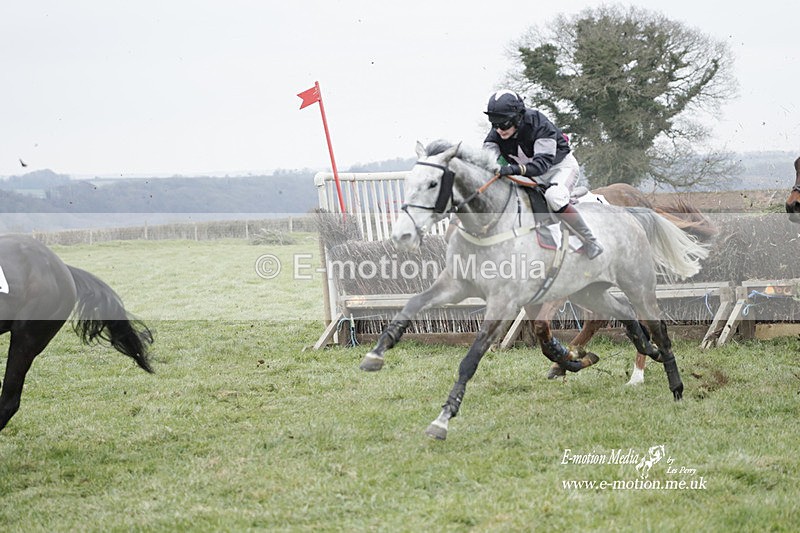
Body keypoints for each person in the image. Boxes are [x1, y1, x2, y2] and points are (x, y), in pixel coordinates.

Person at [483, 90, 603, 259]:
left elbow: (541, 165)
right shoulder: (496, 132)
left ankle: (590, 241)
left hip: (559, 168)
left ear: (518, 117)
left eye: (504, 124)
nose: (499, 130)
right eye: (494, 124)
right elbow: (486, 159)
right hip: (531, 172)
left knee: (554, 197)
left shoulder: (539, 124)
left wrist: (512, 169)